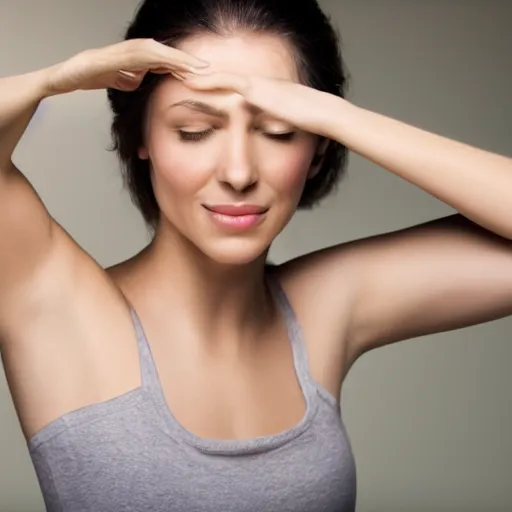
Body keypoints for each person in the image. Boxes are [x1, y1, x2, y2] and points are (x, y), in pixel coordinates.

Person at [1, 0, 511, 510]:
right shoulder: (51, 303)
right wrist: (55, 78)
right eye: (195, 131)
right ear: (141, 136)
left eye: (279, 131)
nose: (239, 172)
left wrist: (340, 117)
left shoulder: (327, 307)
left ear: (319, 149)